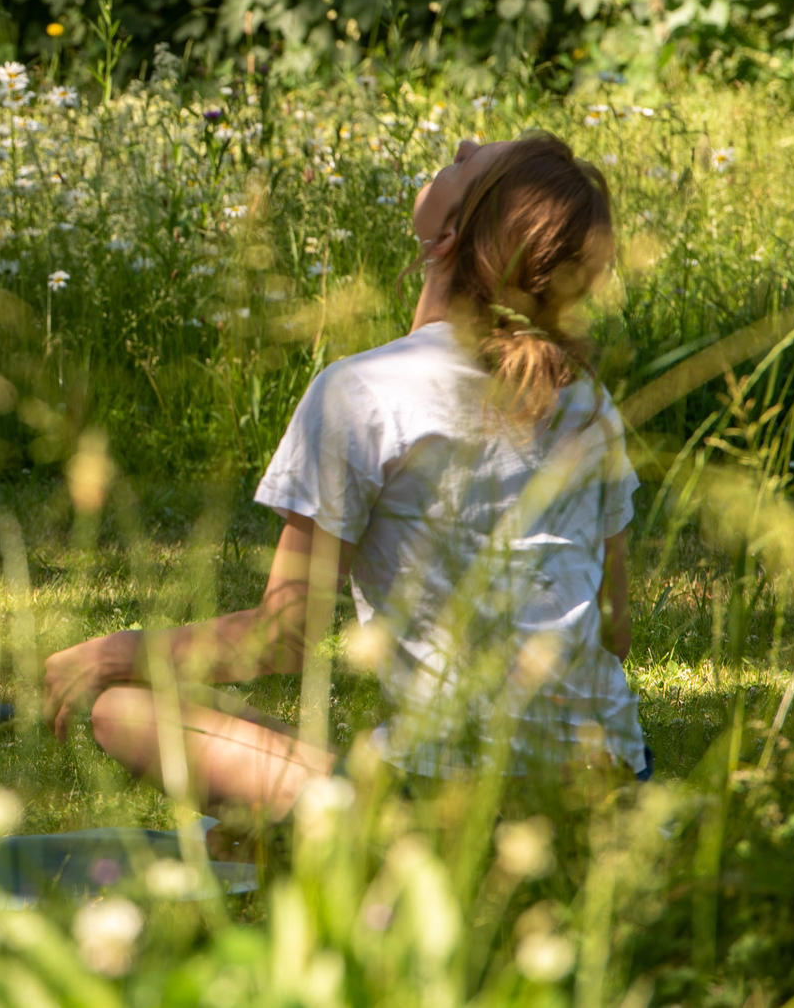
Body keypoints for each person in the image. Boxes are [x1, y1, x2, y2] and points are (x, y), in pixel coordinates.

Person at [43, 131, 647, 817]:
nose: (462, 142)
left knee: (123, 709)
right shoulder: (588, 402)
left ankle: (338, 841)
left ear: (449, 238)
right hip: (610, 784)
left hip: (441, 803)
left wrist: (115, 652)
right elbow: (614, 633)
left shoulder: (364, 392)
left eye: (466, 162)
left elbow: (283, 636)